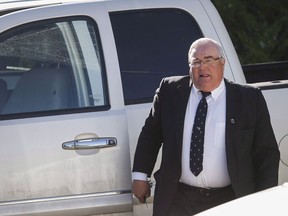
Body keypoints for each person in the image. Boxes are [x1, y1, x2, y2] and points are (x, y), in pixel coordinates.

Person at [132, 37, 280, 216]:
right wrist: (140, 176)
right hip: (178, 197)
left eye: (209, 60)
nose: (202, 67)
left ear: (222, 63)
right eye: (196, 61)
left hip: (230, 199)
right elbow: (151, 134)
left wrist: (265, 201)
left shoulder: (248, 99)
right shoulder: (170, 91)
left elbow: (266, 154)